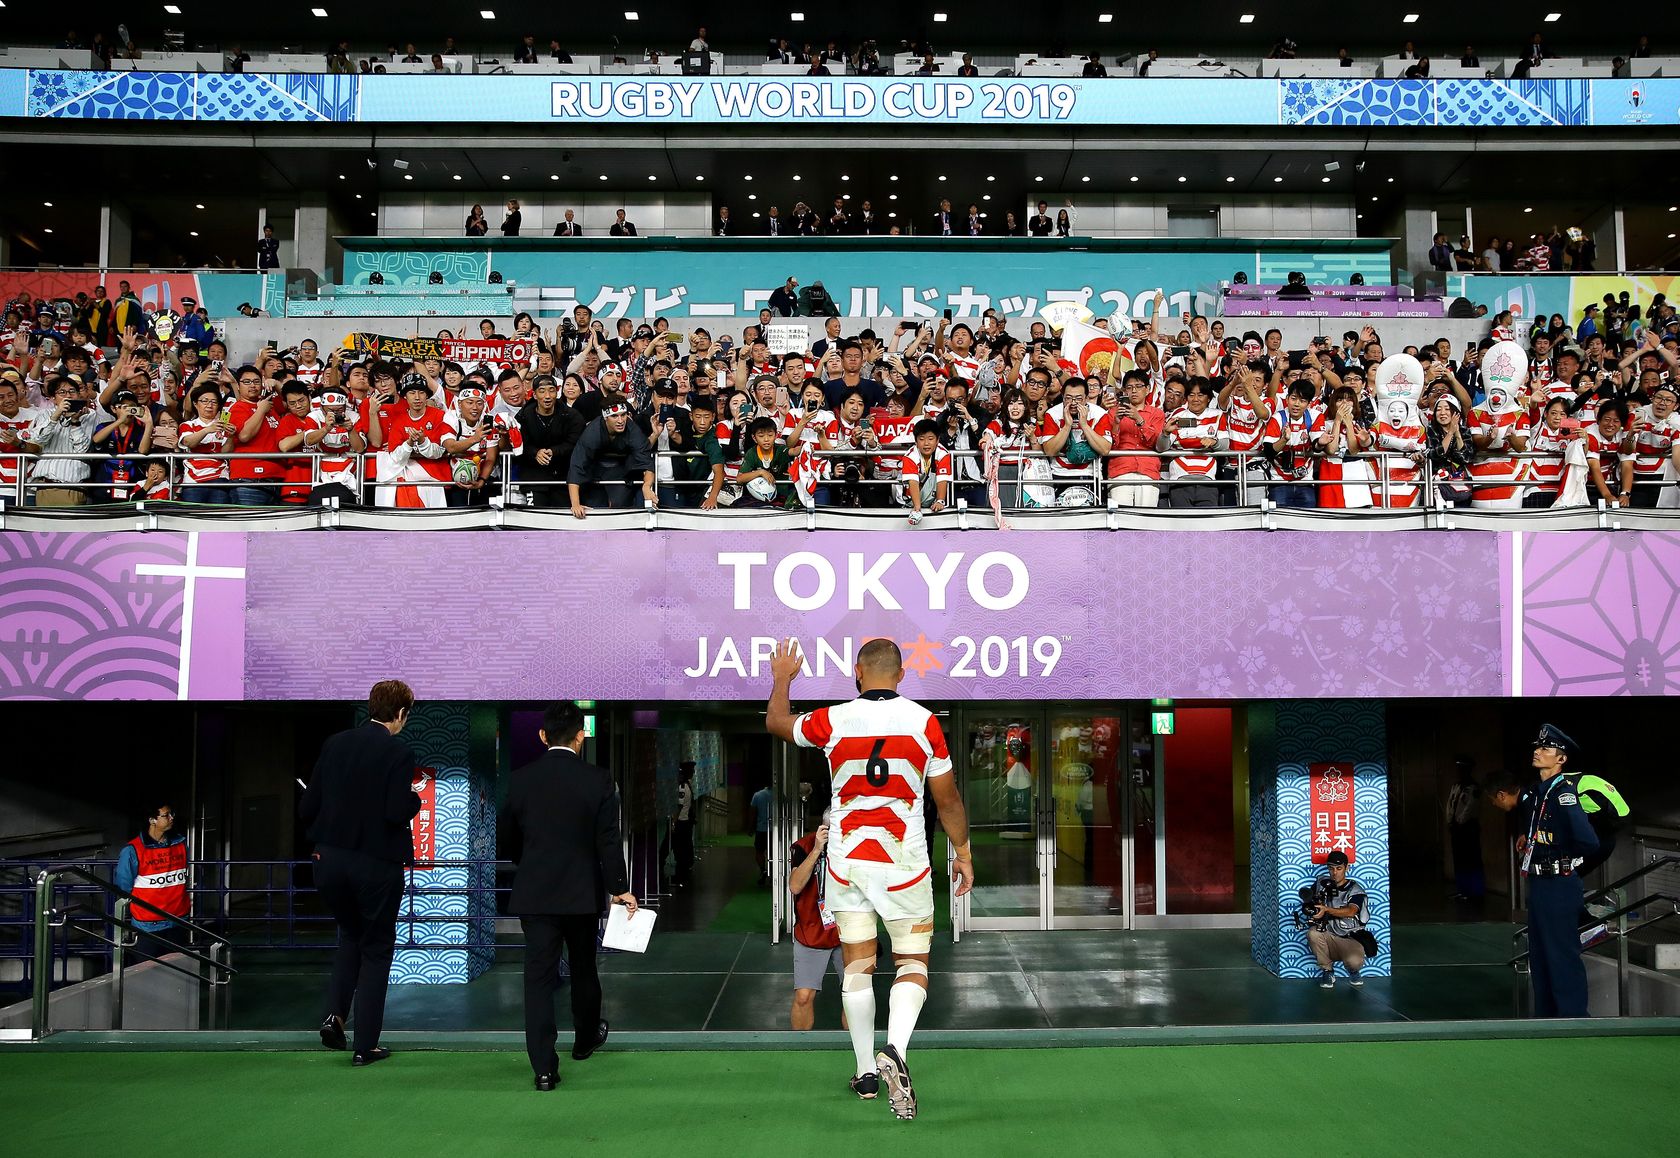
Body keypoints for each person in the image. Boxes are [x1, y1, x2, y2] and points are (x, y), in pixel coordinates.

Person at [765, 637, 975, 1121]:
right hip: (904, 864)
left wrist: (782, 677)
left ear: (857, 672)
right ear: (901, 675)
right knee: (912, 963)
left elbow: (777, 723)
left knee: (858, 965)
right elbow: (948, 802)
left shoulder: (834, 719)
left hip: (847, 862)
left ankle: (864, 1072)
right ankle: (895, 1051)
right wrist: (962, 854)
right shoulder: (924, 723)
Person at [498, 701, 638, 1092]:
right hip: (581, 894)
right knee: (583, 967)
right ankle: (585, 1039)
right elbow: (608, 841)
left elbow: (508, 837)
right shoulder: (598, 780)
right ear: (582, 735)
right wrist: (620, 888)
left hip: (535, 893)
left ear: (542, 736)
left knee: (538, 979)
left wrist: (530, 862)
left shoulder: (521, 779)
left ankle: (543, 1068)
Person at [299, 680, 423, 1066]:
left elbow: (308, 808)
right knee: (376, 949)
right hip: (375, 864)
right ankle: (365, 1045)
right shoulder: (398, 753)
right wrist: (415, 798)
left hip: (329, 861)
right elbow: (393, 811)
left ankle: (334, 1016)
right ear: (401, 714)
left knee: (350, 935)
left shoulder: (334, 744)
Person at [1515, 724, 1599, 1017]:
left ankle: (1573, 1019)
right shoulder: (1536, 794)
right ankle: (1546, 1020)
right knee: (1539, 955)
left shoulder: (1564, 793)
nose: (1538, 752)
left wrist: (1565, 860)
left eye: (1546, 749)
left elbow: (1588, 842)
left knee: (1561, 953)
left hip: (1559, 882)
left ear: (1561, 759)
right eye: (1537, 748)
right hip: (1538, 882)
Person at [789, 811, 845, 1031]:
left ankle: (857, 1050)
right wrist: (817, 850)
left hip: (848, 929)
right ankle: (800, 1050)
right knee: (803, 996)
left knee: (854, 995)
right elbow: (795, 886)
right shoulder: (804, 846)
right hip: (811, 930)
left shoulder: (857, 846)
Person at [114, 801, 190, 960]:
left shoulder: (181, 844)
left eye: (172, 814)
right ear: (152, 820)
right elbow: (123, 887)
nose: (171, 818)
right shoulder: (132, 851)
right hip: (148, 925)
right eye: (166, 815)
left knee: (178, 972)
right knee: (147, 974)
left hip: (178, 921)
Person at [567, 395, 657, 518]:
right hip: (594, 470)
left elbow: (646, 460)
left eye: (623, 415)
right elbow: (577, 466)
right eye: (614, 416)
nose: (620, 421)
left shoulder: (632, 429)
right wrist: (575, 504)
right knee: (595, 508)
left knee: (619, 505)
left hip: (622, 469)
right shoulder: (592, 432)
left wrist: (647, 486)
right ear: (605, 418)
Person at [1303, 850, 1371, 988]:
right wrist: (1314, 910)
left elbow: (1351, 911)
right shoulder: (1321, 883)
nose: (1334, 873)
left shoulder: (1355, 889)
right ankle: (1327, 971)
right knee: (1313, 933)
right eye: (1331, 868)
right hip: (1328, 935)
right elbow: (1310, 903)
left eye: (1339, 868)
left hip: (1350, 938)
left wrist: (1327, 910)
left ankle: (1353, 971)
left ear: (1347, 868)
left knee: (1354, 961)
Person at [1446, 757, 1484, 901]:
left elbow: (1470, 808)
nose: (1460, 772)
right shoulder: (1456, 785)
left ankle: (1474, 891)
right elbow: (1451, 804)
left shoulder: (1473, 787)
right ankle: (1462, 889)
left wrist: (1460, 822)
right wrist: (1450, 821)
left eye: (1463, 769)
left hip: (1468, 827)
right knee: (1459, 859)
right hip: (1456, 827)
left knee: (1471, 859)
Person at [673, 761, 696, 887]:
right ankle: (682, 874)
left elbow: (679, 805)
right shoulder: (685, 785)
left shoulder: (683, 786)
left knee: (681, 850)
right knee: (684, 849)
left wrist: (673, 822)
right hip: (685, 822)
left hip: (682, 822)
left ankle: (680, 875)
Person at [750, 779, 773, 886]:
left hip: (761, 829)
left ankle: (763, 870)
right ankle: (773, 872)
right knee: (774, 852)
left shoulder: (757, 795)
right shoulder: (780, 795)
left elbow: (753, 813)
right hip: (775, 829)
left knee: (759, 851)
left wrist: (751, 828)